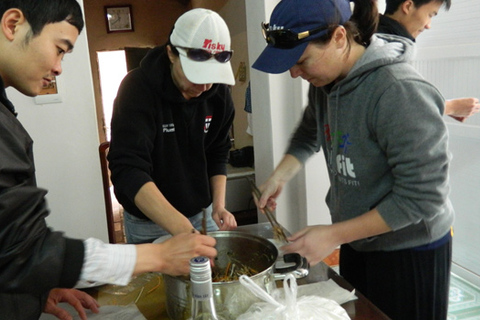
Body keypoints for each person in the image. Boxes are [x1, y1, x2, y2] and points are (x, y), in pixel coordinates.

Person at [0, 1, 217, 319]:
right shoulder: (138, 89)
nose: (60, 68)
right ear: (13, 24)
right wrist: (156, 256)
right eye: (60, 49)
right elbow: (25, 250)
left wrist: (31, 290)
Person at [252, 0, 453, 319]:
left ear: (340, 38)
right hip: (358, 241)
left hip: (410, 249)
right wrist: (280, 175)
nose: (294, 73)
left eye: (301, 60)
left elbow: (423, 197)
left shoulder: (398, 91)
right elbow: (308, 132)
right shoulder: (325, 84)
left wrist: (334, 235)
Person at [108, 8, 238, 244]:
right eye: (195, 75)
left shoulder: (218, 94)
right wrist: (183, 230)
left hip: (202, 214)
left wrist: (218, 206)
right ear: (171, 53)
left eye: (211, 77)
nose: (205, 86)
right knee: (159, 282)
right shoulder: (137, 90)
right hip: (149, 221)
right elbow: (128, 169)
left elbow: (218, 151)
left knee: (210, 276)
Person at [378, 0, 480, 122]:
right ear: (408, 6)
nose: (428, 25)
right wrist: (449, 107)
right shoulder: (386, 49)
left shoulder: (376, 37)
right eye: (430, 15)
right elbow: (394, 109)